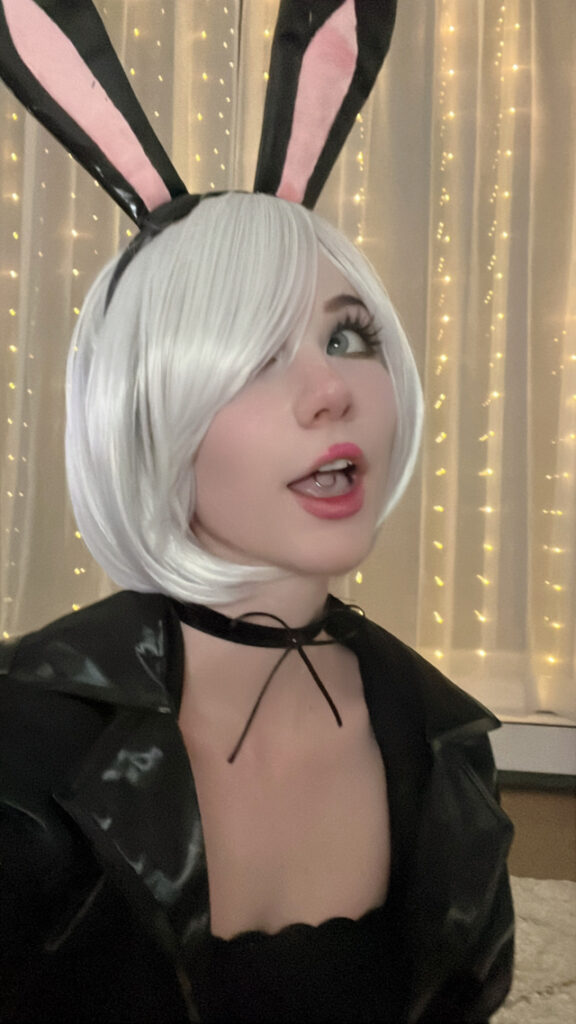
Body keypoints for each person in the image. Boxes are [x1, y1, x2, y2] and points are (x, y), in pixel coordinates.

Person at [0, 2, 513, 1021]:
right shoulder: (23, 738)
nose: (330, 392)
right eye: (252, 356)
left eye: (348, 337)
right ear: (149, 410)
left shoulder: (446, 740)